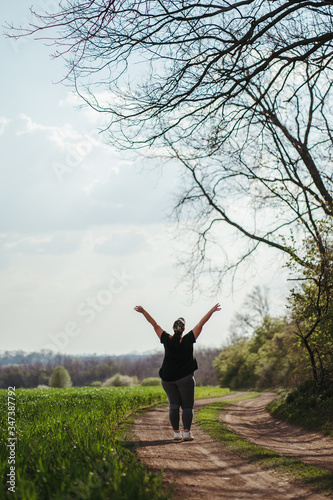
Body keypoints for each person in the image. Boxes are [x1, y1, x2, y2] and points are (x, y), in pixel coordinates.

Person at [134, 303, 221, 441]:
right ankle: (186, 433)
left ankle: (176, 433)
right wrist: (211, 310)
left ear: (173, 329)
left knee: (173, 406)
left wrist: (143, 311)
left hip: (167, 380)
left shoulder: (166, 339)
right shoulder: (188, 339)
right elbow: (201, 324)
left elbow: (154, 325)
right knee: (187, 407)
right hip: (185, 379)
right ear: (184, 329)